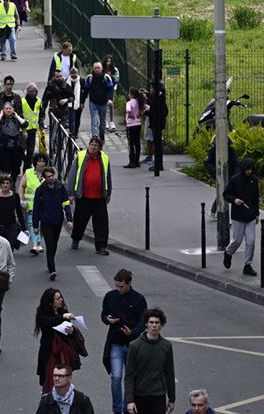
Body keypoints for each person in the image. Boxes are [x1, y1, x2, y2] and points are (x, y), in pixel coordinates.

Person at [101, 269, 148, 414]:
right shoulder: (110, 297)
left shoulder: (139, 299)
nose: (118, 289)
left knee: (131, 378)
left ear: (129, 284)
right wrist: (107, 319)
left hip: (133, 344)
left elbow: (143, 321)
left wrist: (132, 332)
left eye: (121, 286)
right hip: (116, 343)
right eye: (116, 286)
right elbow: (103, 314)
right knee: (116, 377)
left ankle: (127, 406)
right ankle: (117, 410)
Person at [125, 308, 175, 414]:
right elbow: (129, 375)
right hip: (139, 395)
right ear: (146, 324)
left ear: (161, 325)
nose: (154, 325)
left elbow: (169, 373)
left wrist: (172, 399)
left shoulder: (166, 346)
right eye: (151, 322)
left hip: (158, 395)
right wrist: (130, 400)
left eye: (157, 322)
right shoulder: (134, 346)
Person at [67, 137, 112, 256]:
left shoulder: (105, 158)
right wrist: (70, 193)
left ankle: (101, 246)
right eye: (91, 144)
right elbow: (72, 174)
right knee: (80, 221)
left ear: (100, 148)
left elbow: (108, 176)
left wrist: (108, 193)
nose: (93, 147)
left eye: (96, 145)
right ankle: (76, 239)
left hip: (99, 197)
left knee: (101, 223)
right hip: (84, 196)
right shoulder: (81, 156)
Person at [35, 288, 84, 394]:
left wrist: (71, 330)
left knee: (63, 380)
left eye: (61, 297)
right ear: (50, 302)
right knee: (48, 381)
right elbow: (49, 323)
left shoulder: (63, 312)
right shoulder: (42, 315)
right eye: (57, 298)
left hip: (62, 353)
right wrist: (63, 317)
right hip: (49, 352)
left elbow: (66, 331)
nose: (61, 300)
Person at [32, 167, 74, 280]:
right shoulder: (40, 190)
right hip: (46, 221)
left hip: (58, 220)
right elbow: (36, 208)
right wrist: (35, 225)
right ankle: (52, 269)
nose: (51, 178)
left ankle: (50, 261)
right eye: (48, 177)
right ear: (45, 178)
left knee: (54, 244)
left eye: (52, 176)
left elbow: (66, 204)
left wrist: (69, 219)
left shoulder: (60, 188)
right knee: (50, 244)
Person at [222, 158, 260, 276]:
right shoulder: (235, 180)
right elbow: (226, 194)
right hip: (238, 215)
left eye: (251, 169)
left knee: (251, 242)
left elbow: (255, 198)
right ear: (244, 169)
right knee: (237, 240)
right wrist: (235, 200)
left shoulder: (254, 180)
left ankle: (247, 265)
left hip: (250, 216)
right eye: (247, 169)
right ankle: (228, 253)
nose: (249, 171)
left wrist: (256, 214)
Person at [18, 152, 48, 255]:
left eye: (43, 161)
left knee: (42, 226)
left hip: (44, 206)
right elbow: (22, 186)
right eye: (39, 161)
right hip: (31, 206)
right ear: (35, 162)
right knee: (32, 224)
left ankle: (38, 243)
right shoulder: (29, 172)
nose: (41, 163)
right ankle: (35, 244)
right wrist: (21, 200)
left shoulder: (48, 174)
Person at [0, 173, 27, 250]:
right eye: (3, 183)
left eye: (7, 183)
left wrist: (24, 228)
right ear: (0, 184)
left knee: (9, 247)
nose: (5, 185)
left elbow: (19, 212)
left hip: (11, 226)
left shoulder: (15, 196)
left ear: (10, 185)